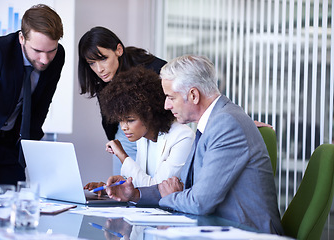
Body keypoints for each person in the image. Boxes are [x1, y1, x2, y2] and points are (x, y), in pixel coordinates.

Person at [105, 55, 284, 235]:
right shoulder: (213, 123)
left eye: (170, 97)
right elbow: (185, 188)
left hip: (247, 233)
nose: (166, 105)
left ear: (193, 95)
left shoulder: (226, 125)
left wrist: (172, 197)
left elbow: (199, 202)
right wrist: (135, 194)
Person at [0, 4, 65, 184]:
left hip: (11, 147)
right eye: (37, 51)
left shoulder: (58, 56)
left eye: (51, 51)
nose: (44, 60)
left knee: (17, 204)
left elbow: (41, 108)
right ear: (22, 38)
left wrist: (31, 155)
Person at [84, 66, 194, 189]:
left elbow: (155, 188)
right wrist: (112, 188)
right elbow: (140, 183)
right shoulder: (143, 136)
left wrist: (122, 155)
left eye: (130, 120)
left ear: (149, 113)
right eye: (120, 120)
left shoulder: (183, 137)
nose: (124, 127)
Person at [78, 26, 167, 175]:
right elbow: (109, 121)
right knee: (123, 185)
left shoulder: (152, 67)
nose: (99, 69)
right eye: (92, 63)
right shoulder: (100, 79)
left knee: (154, 184)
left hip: (156, 129)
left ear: (118, 50)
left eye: (103, 59)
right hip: (126, 133)